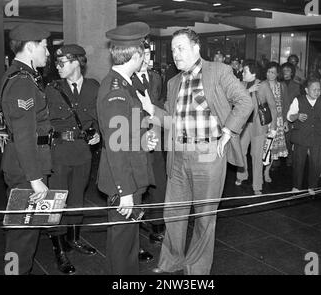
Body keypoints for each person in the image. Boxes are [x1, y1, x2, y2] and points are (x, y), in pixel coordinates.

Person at [137, 28, 253, 275]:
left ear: (196, 48)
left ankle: (196, 269)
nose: (175, 54)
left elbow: (245, 102)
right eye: (172, 50)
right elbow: (171, 118)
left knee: (204, 216)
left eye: (180, 48)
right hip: (178, 154)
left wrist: (228, 133)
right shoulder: (173, 82)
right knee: (173, 213)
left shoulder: (218, 72)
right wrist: (151, 109)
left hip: (208, 153)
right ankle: (171, 262)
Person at [97, 22, 157, 275]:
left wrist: (144, 140)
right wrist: (125, 192)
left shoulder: (124, 84)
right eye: (144, 52)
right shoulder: (116, 91)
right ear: (135, 55)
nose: (145, 57)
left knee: (124, 243)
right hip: (124, 178)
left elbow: (128, 131)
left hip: (131, 172)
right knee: (124, 246)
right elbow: (116, 147)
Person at [0, 23, 51, 275]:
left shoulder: (23, 76)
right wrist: (35, 178)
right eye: (44, 46)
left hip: (26, 166)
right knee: (21, 236)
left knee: (25, 233)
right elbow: (23, 135)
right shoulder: (23, 82)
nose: (48, 52)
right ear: (30, 47)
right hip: (26, 170)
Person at [45, 44, 100, 274]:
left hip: (82, 151)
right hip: (58, 152)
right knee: (56, 200)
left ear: (77, 62)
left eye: (63, 63)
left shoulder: (93, 86)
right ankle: (59, 250)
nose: (58, 67)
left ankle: (74, 238)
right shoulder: (51, 88)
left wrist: (97, 132)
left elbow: (99, 115)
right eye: (56, 63)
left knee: (77, 197)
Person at [131, 42, 166, 250]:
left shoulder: (156, 78)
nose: (145, 58)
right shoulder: (127, 79)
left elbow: (160, 103)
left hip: (156, 136)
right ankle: (134, 229)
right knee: (137, 185)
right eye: (141, 54)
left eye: (147, 54)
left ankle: (157, 226)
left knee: (158, 183)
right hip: (136, 138)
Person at [235, 60, 277, 195]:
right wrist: (248, 91)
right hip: (244, 125)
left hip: (259, 125)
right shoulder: (241, 84)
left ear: (253, 73)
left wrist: (274, 127)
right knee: (240, 151)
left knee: (256, 155)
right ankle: (242, 175)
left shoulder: (263, 85)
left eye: (245, 71)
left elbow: (272, 106)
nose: (242, 72)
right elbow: (234, 101)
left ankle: (257, 185)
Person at [287, 77, 321, 194]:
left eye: (318, 89)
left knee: (316, 163)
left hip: (317, 135)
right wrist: (297, 116)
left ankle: (312, 186)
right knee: (299, 162)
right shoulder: (298, 100)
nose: (317, 92)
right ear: (306, 90)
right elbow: (289, 116)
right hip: (301, 135)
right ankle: (296, 186)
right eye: (314, 89)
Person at [263, 62, 288, 182]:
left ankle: (267, 171)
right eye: (268, 71)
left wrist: (285, 122)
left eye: (273, 72)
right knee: (262, 147)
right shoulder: (262, 84)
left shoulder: (281, 86)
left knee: (271, 148)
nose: (270, 74)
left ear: (278, 73)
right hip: (263, 120)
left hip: (277, 121)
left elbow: (285, 104)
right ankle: (258, 170)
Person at [281, 62, 301, 166]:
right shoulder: (278, 83)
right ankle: (276, 161)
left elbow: (298, 101)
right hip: (280, 113)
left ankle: (289, 157)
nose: (286, 72)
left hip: (291, 114)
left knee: (289, 138)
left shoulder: (297, 85)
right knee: (278, 137)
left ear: (292, 72)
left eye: (288, 70)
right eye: (284, 70)